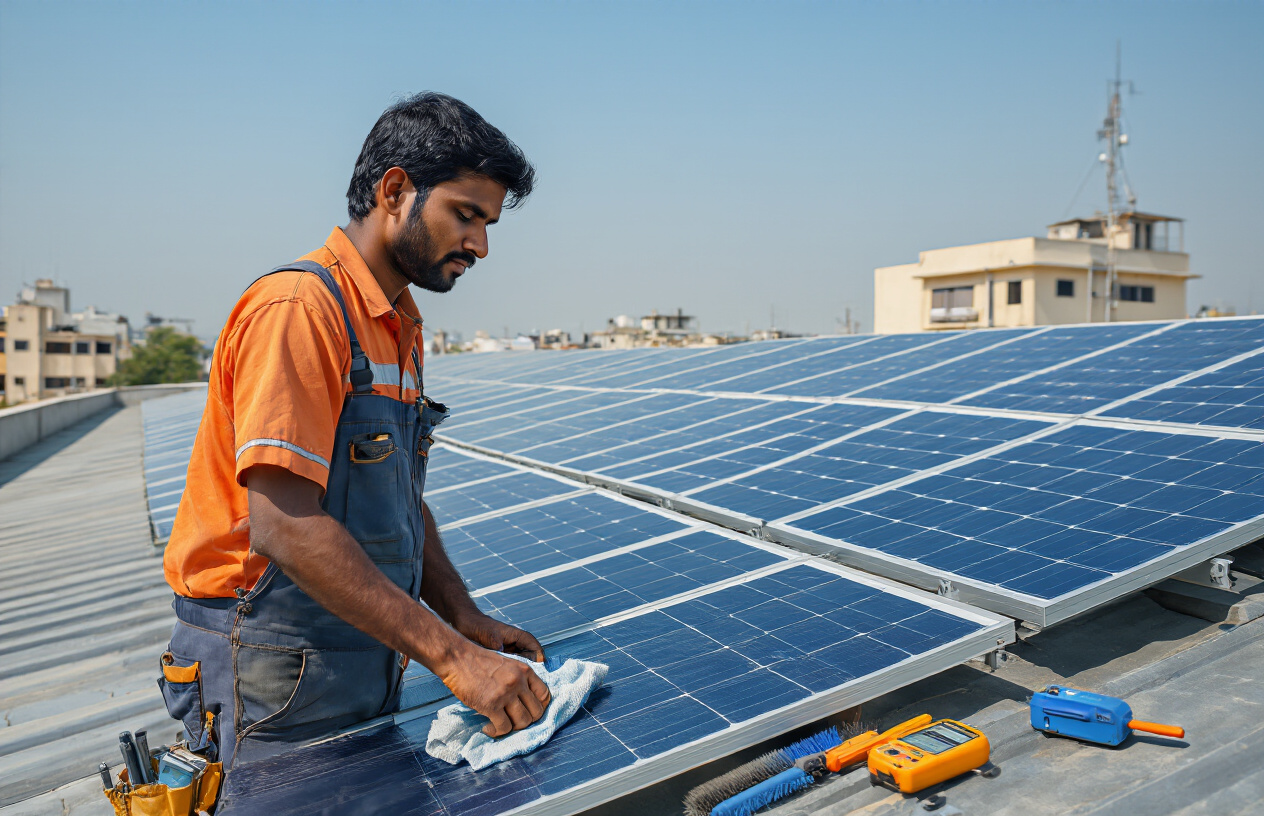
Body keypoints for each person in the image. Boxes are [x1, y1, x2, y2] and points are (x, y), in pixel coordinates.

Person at [158, 93, 550, 769]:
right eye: (466, 215)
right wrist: (454, 659)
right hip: (266, 663)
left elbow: (395, 496)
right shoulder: (300, 309)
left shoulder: (398, 323)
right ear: (394, 190)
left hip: (354, 650)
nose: (480, 245)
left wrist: (462, 615)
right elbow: (285, 525)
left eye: (488, 224)